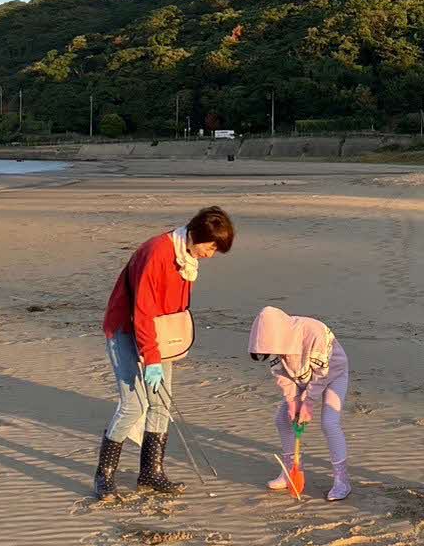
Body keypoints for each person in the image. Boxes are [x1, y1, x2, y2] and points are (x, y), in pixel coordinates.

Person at [93, 205, 235, 498]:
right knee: (133, 405)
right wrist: (151, 359)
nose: (211, 254)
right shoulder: (158, 252)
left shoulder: (187, 259)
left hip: (157, 336)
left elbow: (171, 312)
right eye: (210, 247)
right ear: (196, 235)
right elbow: (143, 310)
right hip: (125, 328)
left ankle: (151, 473)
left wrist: (162, 351)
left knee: (160, 404)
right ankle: (104, 476)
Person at [248, 306, 351, 501]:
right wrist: (293, 401)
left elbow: (323, 374)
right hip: (300, 378)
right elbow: (281, 374)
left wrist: (308, 402)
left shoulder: (314, 332)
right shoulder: (272, 344)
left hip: (332, 374)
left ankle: (342, 480)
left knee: (329, 423)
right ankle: (290, 471)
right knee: (282, 419)